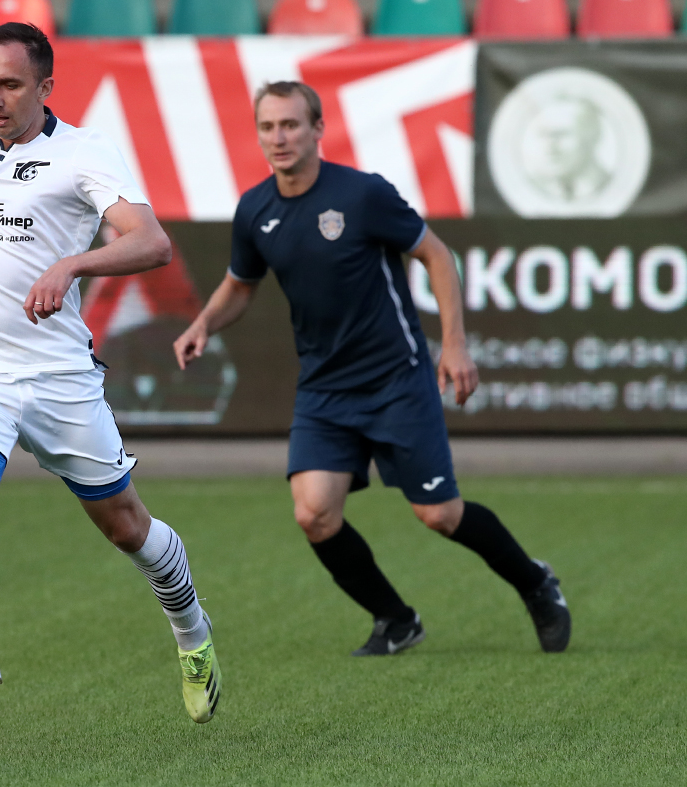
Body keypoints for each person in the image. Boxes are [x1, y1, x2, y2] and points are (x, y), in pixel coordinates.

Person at [173, 81, 571, 656]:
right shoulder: (255, 209)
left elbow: (436, 254)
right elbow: (241, 283)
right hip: (324, 389)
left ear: (318, 129)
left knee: (439, 514)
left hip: (395, 380)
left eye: (291, 125)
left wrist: (454, 344)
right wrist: (204, 325)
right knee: (314, 514)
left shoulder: (363, 195)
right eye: (268, 127)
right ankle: (396, 620)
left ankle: (535, 582)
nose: (279, 137)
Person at [0, 22, 220, 721]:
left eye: (11, 85)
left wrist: (72, 264)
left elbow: (152, 242)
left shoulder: (84, 153)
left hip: (56, 376)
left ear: (46, 86)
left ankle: (192, 630)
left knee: (126, 527)